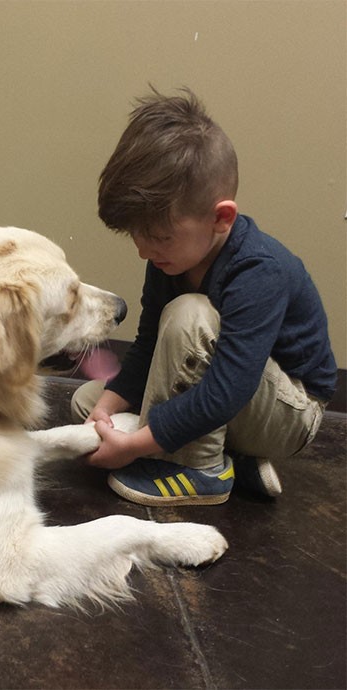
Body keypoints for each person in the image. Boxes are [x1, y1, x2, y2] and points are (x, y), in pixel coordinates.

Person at [72, 87, 337, 506]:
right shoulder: (168, 259)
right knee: (85, 403)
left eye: (158, 237)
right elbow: (146, 349)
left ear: (221, 218)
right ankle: (235, 457)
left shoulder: (258, 271)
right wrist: (103, 409)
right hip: (236, 395)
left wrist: (136, 446)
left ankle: (203, 470)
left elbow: (228, 389)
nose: (144, 250)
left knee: (188, 316)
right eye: (137, 237)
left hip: (291, 412)